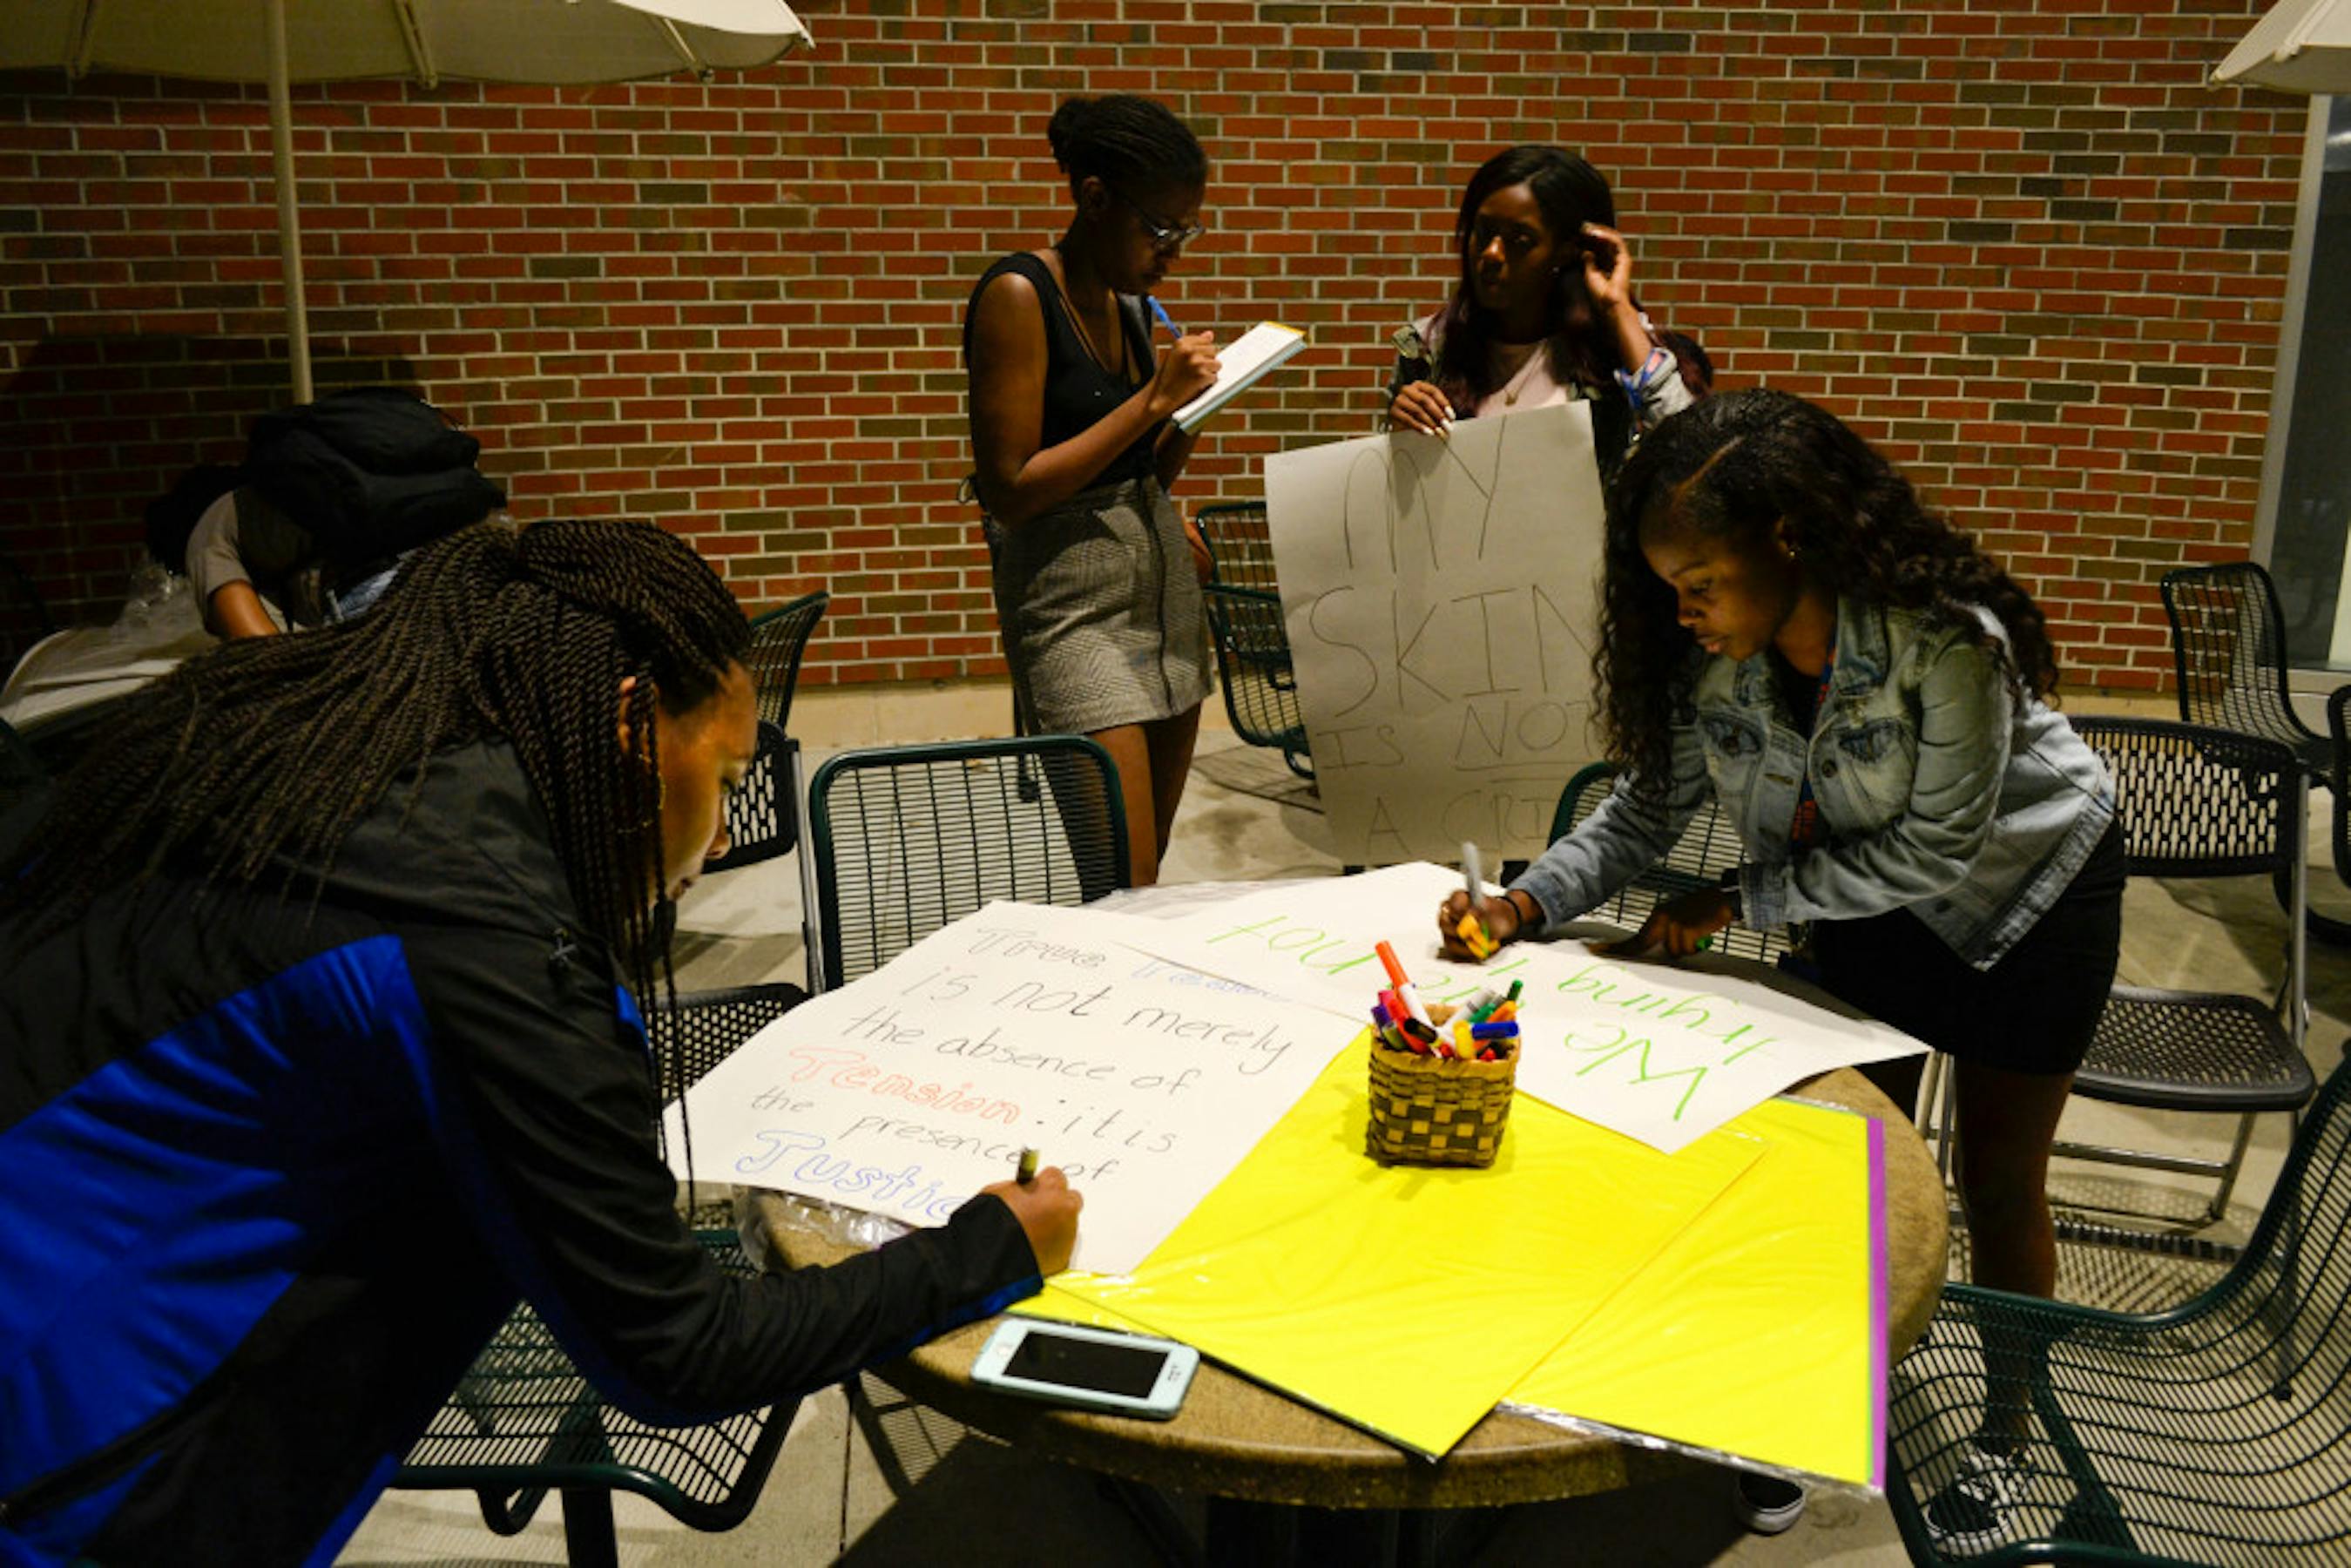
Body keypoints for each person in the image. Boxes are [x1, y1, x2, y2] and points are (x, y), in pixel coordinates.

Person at [0, 518, 1083, 1565]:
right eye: (725, 777)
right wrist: (987, 1249)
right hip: (71, 1456)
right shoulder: (486, 945)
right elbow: (680, 1350)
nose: (716, 842)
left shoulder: (330, 756)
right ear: (633, 723)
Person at [1435, 389, 2122, 1554]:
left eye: (1700, 582)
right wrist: (1524, 901)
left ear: (1788, 540)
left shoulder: (1944, 639)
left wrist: (1734, 900)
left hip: (2028, 894)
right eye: (1666, 588)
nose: (1682, 612)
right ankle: (1796, 1413)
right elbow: (1646, 810)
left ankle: (2008, 1437)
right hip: (1850, 892)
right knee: (1841, 1169)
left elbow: (1933, 851)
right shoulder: (1712, 659)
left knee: (1998, 1184)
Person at [963, 94, 1222, 886]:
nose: (1170, 254)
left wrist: (1188, 414)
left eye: (1185, 234)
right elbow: (1011, 490)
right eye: (1160, 231)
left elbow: (1138, 471)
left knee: (1149, 871)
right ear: (1095, 197)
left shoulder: (1130, 304)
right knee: (1120, 878)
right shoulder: (1017, 296)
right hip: (1073, 614)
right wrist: (1152, 401)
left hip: (1163, 601)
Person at [1387, 145, 1699, 486]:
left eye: (1519, 240)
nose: (1492, 253)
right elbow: (1392, 494)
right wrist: (1399, 438)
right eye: (1483, 232)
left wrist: (1617, 309)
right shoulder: (1429, 349)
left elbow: (1694, 459)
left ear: (1566, 250)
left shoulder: (1610, 353)